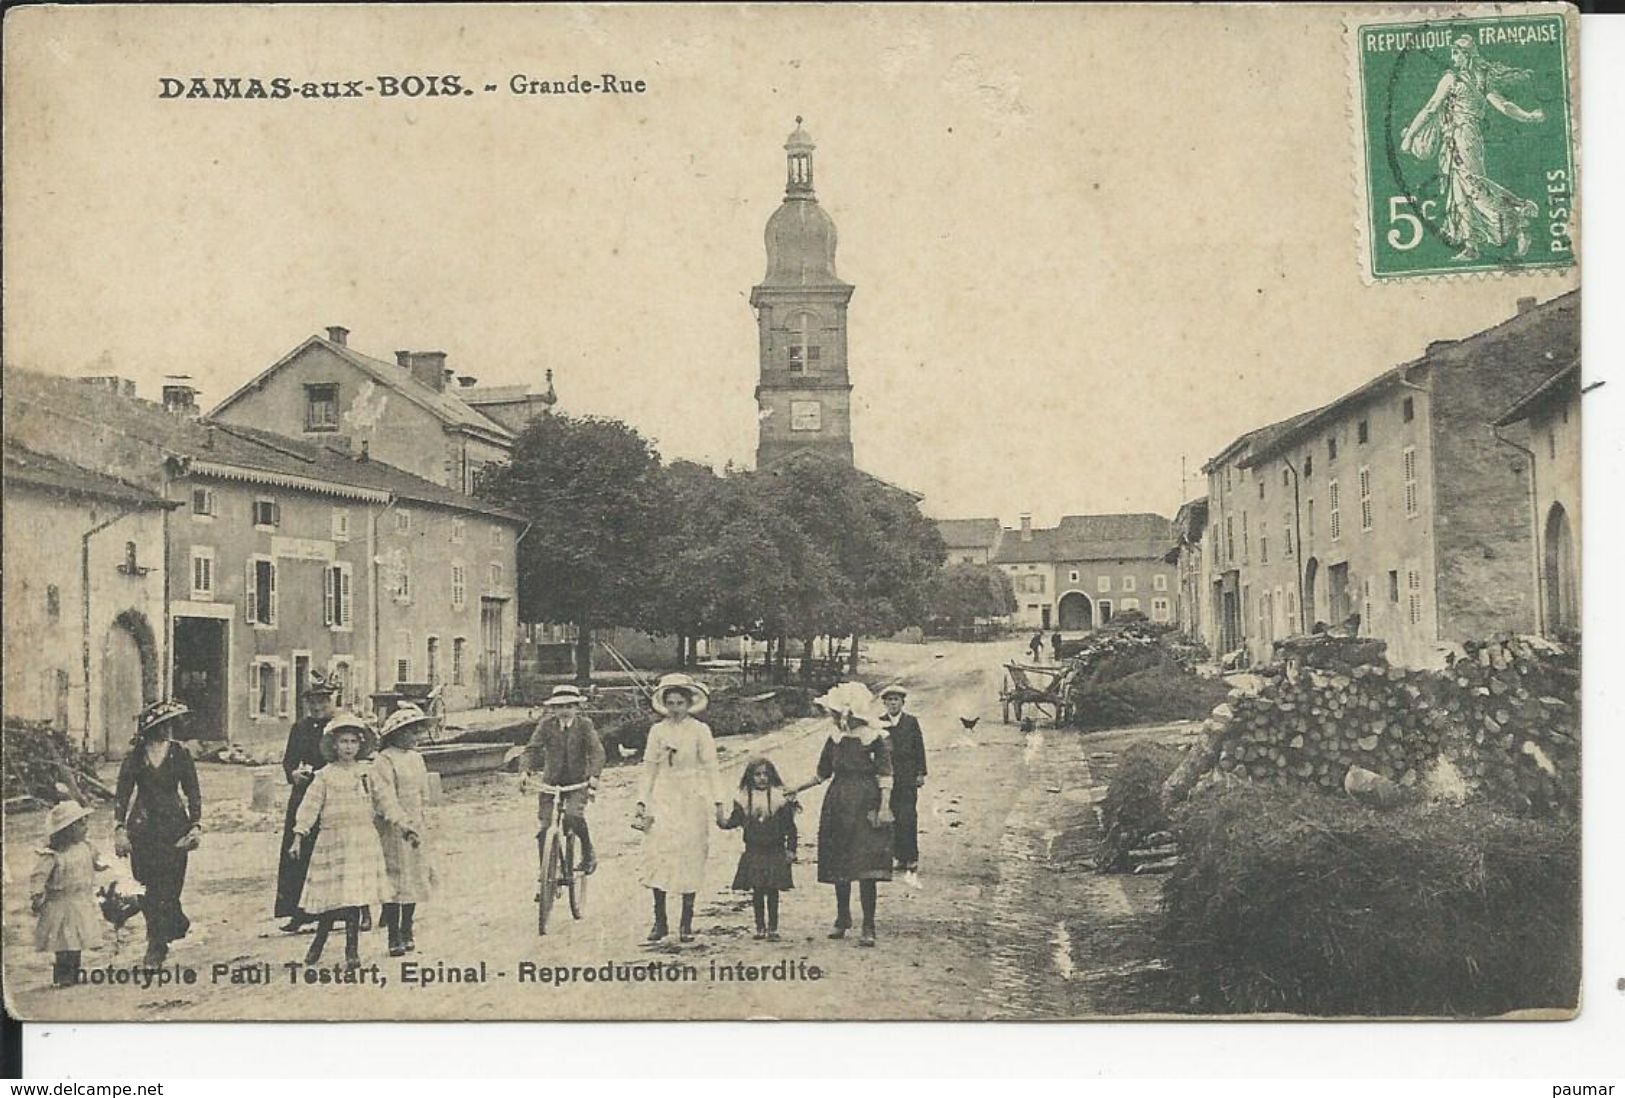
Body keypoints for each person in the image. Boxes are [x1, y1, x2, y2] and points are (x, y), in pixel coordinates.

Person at [1400, 34, 1545, 262]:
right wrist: (1528, 117)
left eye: (1456, 53)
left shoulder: (1454, 78)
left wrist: (1409, 137)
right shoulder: (1481, 78)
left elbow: (1430, 108)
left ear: (1466, 54)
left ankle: (1519, 216)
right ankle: (1472, 246)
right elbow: (1504, 106)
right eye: (1452, 53)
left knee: (1473, 186)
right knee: (1460, 191)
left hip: (1462, 138)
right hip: (1461, 138)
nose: (1453, 57)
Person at [790, 681, 894, 946]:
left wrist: (883, 807)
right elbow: (822, 773)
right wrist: (795, 788)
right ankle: (842, 916)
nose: (833, 718)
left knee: (866, 864)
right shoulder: (835, 739)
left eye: (836, 713)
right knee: (841, 860)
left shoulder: (876, 738)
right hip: (838, 802)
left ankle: (868, 924)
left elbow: (885, 775)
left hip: (866, 800)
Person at [287, 714, 389, 972]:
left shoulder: (366, 773)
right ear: (334, 745)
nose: (348, 747)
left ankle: (351, 949)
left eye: (353, 742)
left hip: (360, 840)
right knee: (332, 899)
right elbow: (310, 806)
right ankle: (319, 942)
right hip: (332, 841)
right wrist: (299, 836)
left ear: (360, 745)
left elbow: (385, 800)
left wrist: (402, 822)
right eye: (343, 741)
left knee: (353, 897)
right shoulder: (324, 776)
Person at [635, 673, 725, 943]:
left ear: (688, 704)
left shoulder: (700, 731)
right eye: (670, 702)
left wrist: (718, 801)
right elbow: (649, 767)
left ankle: (686, 921)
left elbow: (711, 767)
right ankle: (660, 920)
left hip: (691, 797)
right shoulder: (657, 731)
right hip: (663, 796)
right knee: (659, 855)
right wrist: (642, 800)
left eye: (680, 703)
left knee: (690, 855)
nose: (675, 708)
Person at [113, 700, 202, 967]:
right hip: (142, 830)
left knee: (170, 888)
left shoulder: (180, 754)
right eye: (161, 726)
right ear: (150, 729)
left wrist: (196, 826)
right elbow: (122, 794)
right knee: (146, 887)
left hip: (175, 828)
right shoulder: (135, 756)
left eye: (169, 725)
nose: (167, 730)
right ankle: (163, 936)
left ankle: (164, 934)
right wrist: (119, 829)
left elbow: (193, 792)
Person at [521, 684, 605, 878]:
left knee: (573, 815)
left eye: (569, 706)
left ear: (576, 707)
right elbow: (531, 749)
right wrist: (524, 772)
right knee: (544, 828)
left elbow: (596, 751)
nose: (564, 711)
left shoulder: (585, 725)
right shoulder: (546, 725)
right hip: (551, 783)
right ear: (553, 709)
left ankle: (587, 852)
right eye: (560, 707)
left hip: (577, 782)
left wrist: (594, 775)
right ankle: (546, 876)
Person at [275, 672, 337, 932]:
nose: (317, 706)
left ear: (332, 700)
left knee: (333, 852)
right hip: (304, 794)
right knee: (298, 852)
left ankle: (343, 912)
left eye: (322, 701)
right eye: (312, 701)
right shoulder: (299, 728)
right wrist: (293, 774)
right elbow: (289, 760)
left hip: (334, 794)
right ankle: (299, 911)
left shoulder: (341, 727)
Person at [372, 705, 435, 958]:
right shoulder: (384, 760)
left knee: (415, 875)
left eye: (417, 732)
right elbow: (383, 796)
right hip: (392, 826)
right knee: (395, 876)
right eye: (410, 732)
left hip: (415, 822)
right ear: (396, 734)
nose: (415, 737)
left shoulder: (416, 758)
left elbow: (422, 792)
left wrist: (421, 818)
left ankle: (408, 927)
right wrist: (400, 822)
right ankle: (393, 933)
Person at [30, 800, 108, 987]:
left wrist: (103, 865)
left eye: (85, 823)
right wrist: (36, 894)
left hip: (80, 900)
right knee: (63, 940)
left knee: (76, 940)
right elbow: (39, 876)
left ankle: (73, 972)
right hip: (60, 903)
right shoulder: (52, 855)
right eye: (81, 824)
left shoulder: (86, 847)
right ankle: (64, 973)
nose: (85, 828)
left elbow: (97, 861)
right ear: (67, 830)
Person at [720, 757, 798, 941]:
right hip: (754, 849)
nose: (762, 778)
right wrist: (721, 818)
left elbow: (790, 828)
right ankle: (759, 927)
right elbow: (734, 821)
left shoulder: (780, 799)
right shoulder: (744, 799)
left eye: (765, 774)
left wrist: (791, 849)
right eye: (757, 775)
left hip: (775, 849)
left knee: (772, 890)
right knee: (757, 890)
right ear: (750, 777)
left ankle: (773, 927)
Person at [878, 684, 927, 874]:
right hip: (887, 776)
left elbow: (919, 748)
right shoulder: (879, 723)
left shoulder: (911, 722)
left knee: (907, 816)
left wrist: (920, 773)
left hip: (907, 776)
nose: (892, 703)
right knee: (890, 816)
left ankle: (911, 857)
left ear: (902, 703)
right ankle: (897, 856)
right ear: (884, 703)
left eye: (896, 700)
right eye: (889, 700)